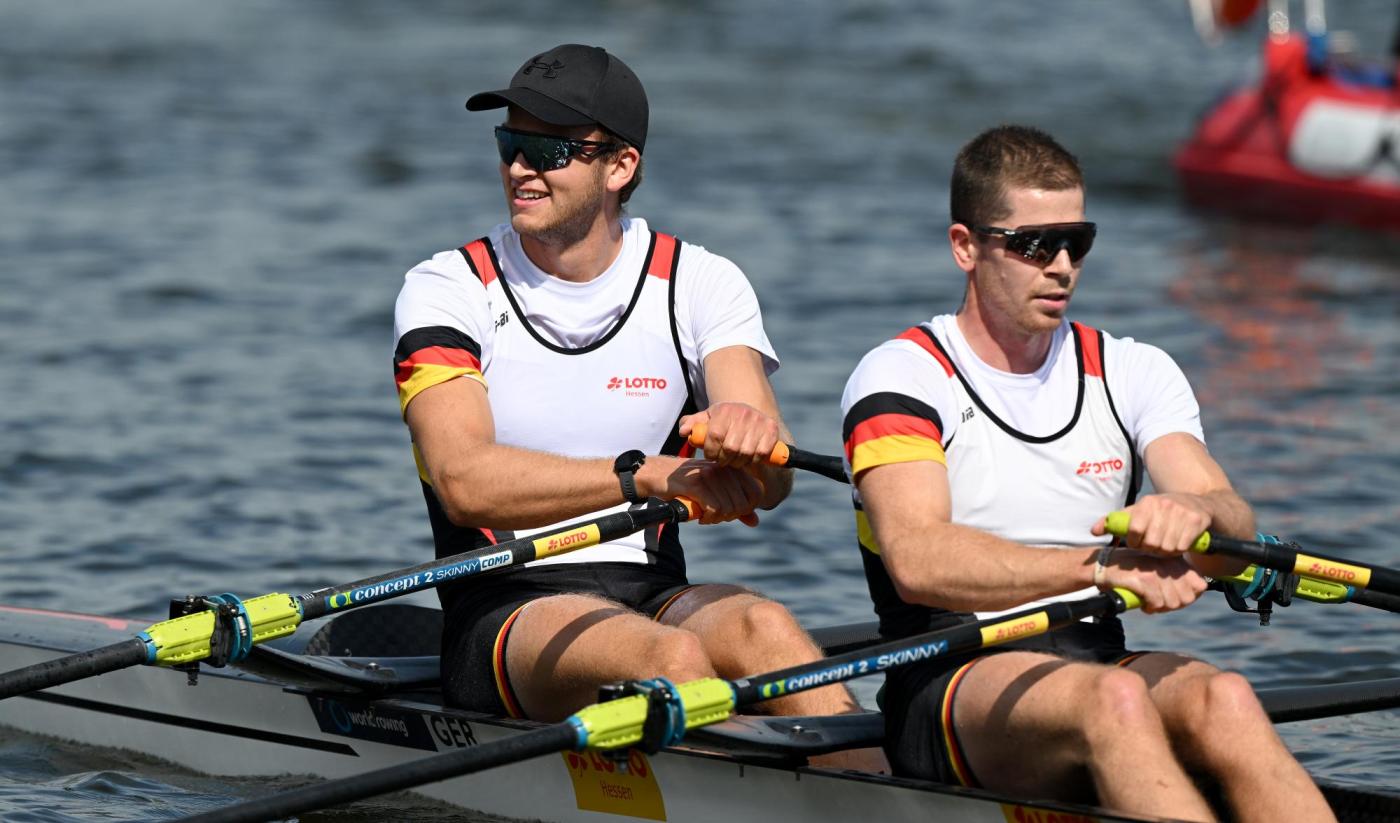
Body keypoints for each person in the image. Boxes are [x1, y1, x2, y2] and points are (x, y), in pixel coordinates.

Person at [392, 43, 880, 770]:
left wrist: (750, 444)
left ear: (619, 166)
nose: (521, 168)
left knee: (768, 628)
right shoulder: (448, 288)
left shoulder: (701, 282)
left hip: (652, 590)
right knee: (672, 657)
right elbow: (463, 481)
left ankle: (877, 791)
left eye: (549, 150)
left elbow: (769, 481)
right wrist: (639, 475)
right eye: (510, 144)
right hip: (504, 607)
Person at [839, 125, 1335, 820]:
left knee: (1224, 698)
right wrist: (1100, 567)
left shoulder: (1132, 369)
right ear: (965, 247)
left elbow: (1226, 515)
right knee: (1116, 700)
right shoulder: (902, 375)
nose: (1063, 266)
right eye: (1035, 245)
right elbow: (919, 558)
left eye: (1078, 241)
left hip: (1094, 656)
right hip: (950, 676)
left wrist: (1198, 516)